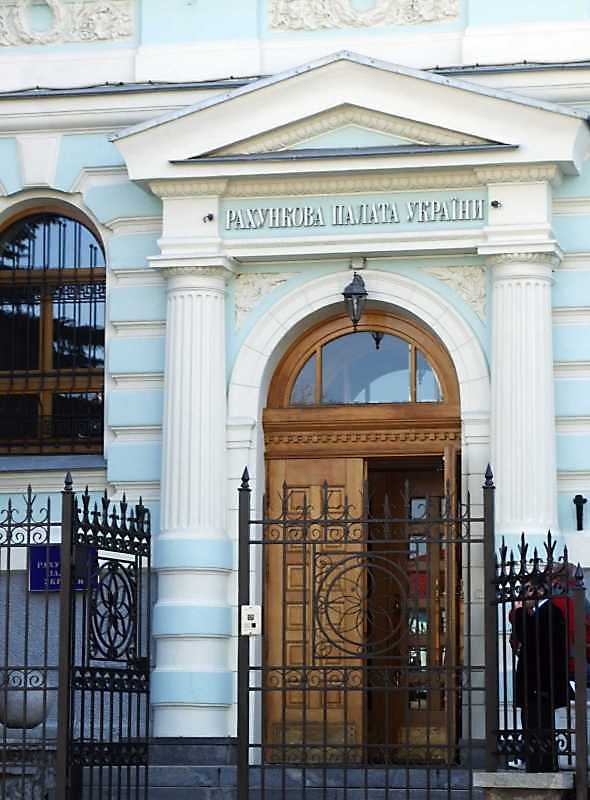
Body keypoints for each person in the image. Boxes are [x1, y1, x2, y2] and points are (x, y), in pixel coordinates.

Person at [512, 578, 572, 772]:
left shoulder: (549, 612)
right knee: (532, 724)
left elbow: (529, 637)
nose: (524, 595)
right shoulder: (541, 612)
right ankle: (535, 763)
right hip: (536, 684)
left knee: (539, 726)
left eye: (528, 590)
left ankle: (541, 766)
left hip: (541, 684)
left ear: (540, 591)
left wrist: (520, 612)